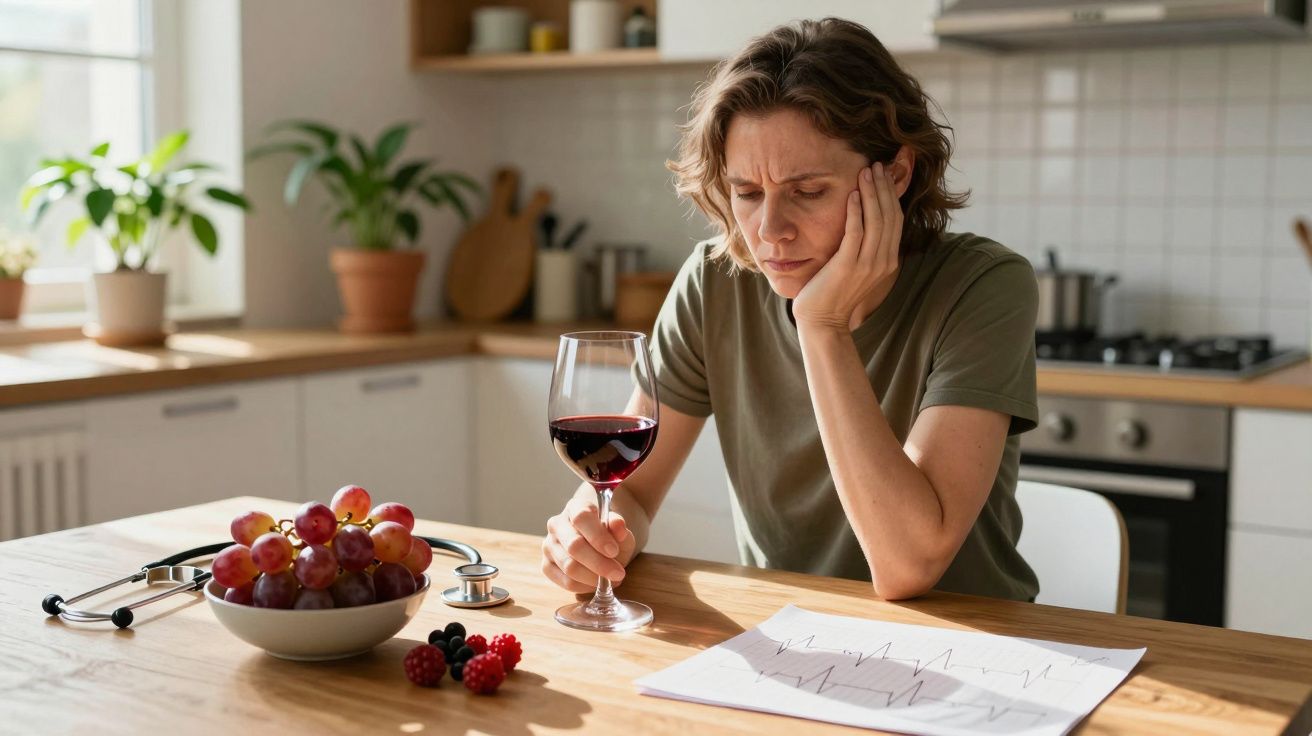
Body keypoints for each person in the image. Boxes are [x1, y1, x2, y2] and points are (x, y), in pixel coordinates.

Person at [541, 17, 1040, 602]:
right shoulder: (714, 282)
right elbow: (632, 490)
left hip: (969, 638)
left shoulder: (983, 286)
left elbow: (908, 565)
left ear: (896, 174)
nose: (769, 231)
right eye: (748, 193)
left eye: (807, 192)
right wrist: (591, 532)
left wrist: (822, 325)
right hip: (786, 632)